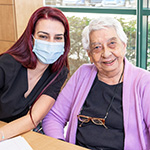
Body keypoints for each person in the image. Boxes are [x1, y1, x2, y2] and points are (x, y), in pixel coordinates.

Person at [43, 17, 150, 150]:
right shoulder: (83, 74)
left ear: (124, 45)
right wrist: (60, 145)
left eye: (112, 44)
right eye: (97, 47)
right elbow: (54, 117)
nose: (106, 53)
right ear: (90, 55)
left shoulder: (144, 82)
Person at [0, 6, 70, 141]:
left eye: (58, 38)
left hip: (14, 134)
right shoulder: (6, 64)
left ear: (64, 41)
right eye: (43, 36)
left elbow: (34, 118)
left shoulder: (59, 72)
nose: (51, 43)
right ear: (31, 38)